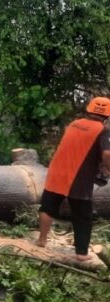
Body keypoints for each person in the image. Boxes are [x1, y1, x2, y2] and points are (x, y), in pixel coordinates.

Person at [37, 96, 110, 261]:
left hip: (56, 171)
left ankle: (42, 240)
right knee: (83, 216)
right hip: (78, 177)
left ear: (89, 109)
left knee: (48, 207)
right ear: (107, 116)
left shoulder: (74, 124)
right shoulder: (103, 130)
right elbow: (107, 154)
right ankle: (81, 253)